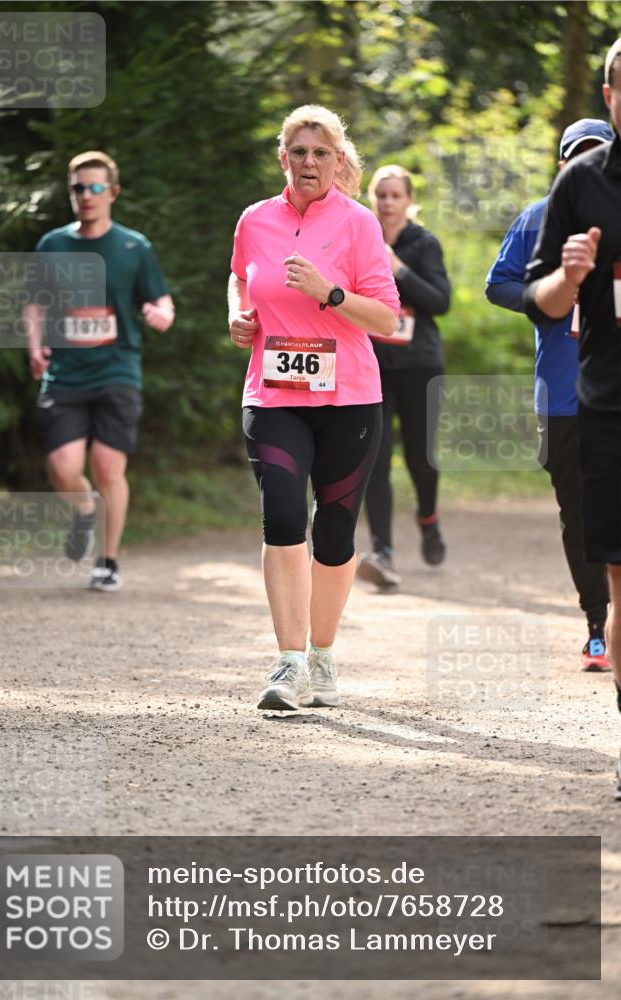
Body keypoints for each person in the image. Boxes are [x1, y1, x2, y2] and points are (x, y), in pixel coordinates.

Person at [228, 105, 400, 711]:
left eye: (320, 153)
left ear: (337, 161)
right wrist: (237, 313)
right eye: (298, 152)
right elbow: (240, 277)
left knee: (333, 533)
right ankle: (289, 663)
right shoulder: (254, 220)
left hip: (348, 398)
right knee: (282, 517)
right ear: (283, 158)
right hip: (273, 395)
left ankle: (322, 656)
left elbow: (387, 315)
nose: (308, 163)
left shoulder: (357, 225)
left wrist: (329, 292)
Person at [523, 38, 621, 797]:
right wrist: (569, 275)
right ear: (610, 94)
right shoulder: (580, 185)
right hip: (606, 405)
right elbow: (538, 296)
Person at [486, 119, 613, 672]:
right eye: (576, 156)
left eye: (597, 153)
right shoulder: (539, 217)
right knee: (580, 516)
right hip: (562, 395)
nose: (586, 163)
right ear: (562, 165)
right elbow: (499, 283)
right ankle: (596, 628)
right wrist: (550, 296)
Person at [24, 150, 174, 591]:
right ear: (70, 192)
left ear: (112, 192)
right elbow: (33, 303)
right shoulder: (53, 245)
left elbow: (161, 299)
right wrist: (34, 348)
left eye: (94, 188)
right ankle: (85, 511)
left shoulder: (133, 246)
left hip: (117, 369)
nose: (86, 196)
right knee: (62, 465)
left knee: (109, 467)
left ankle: (107, 561)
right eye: (77, 188)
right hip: (66, 371)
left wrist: (161, 314)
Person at [357, 165, 450, 591]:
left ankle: (428, 519)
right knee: (374, 458)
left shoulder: (424, 243)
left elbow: (441, 301)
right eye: (381, 195)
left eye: (395, 195)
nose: (387, 203)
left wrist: (400, 270)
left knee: (419, 457)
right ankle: (383, 552)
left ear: (409, 200)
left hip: (419, 365)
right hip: (372, 364)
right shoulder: (360, 237)